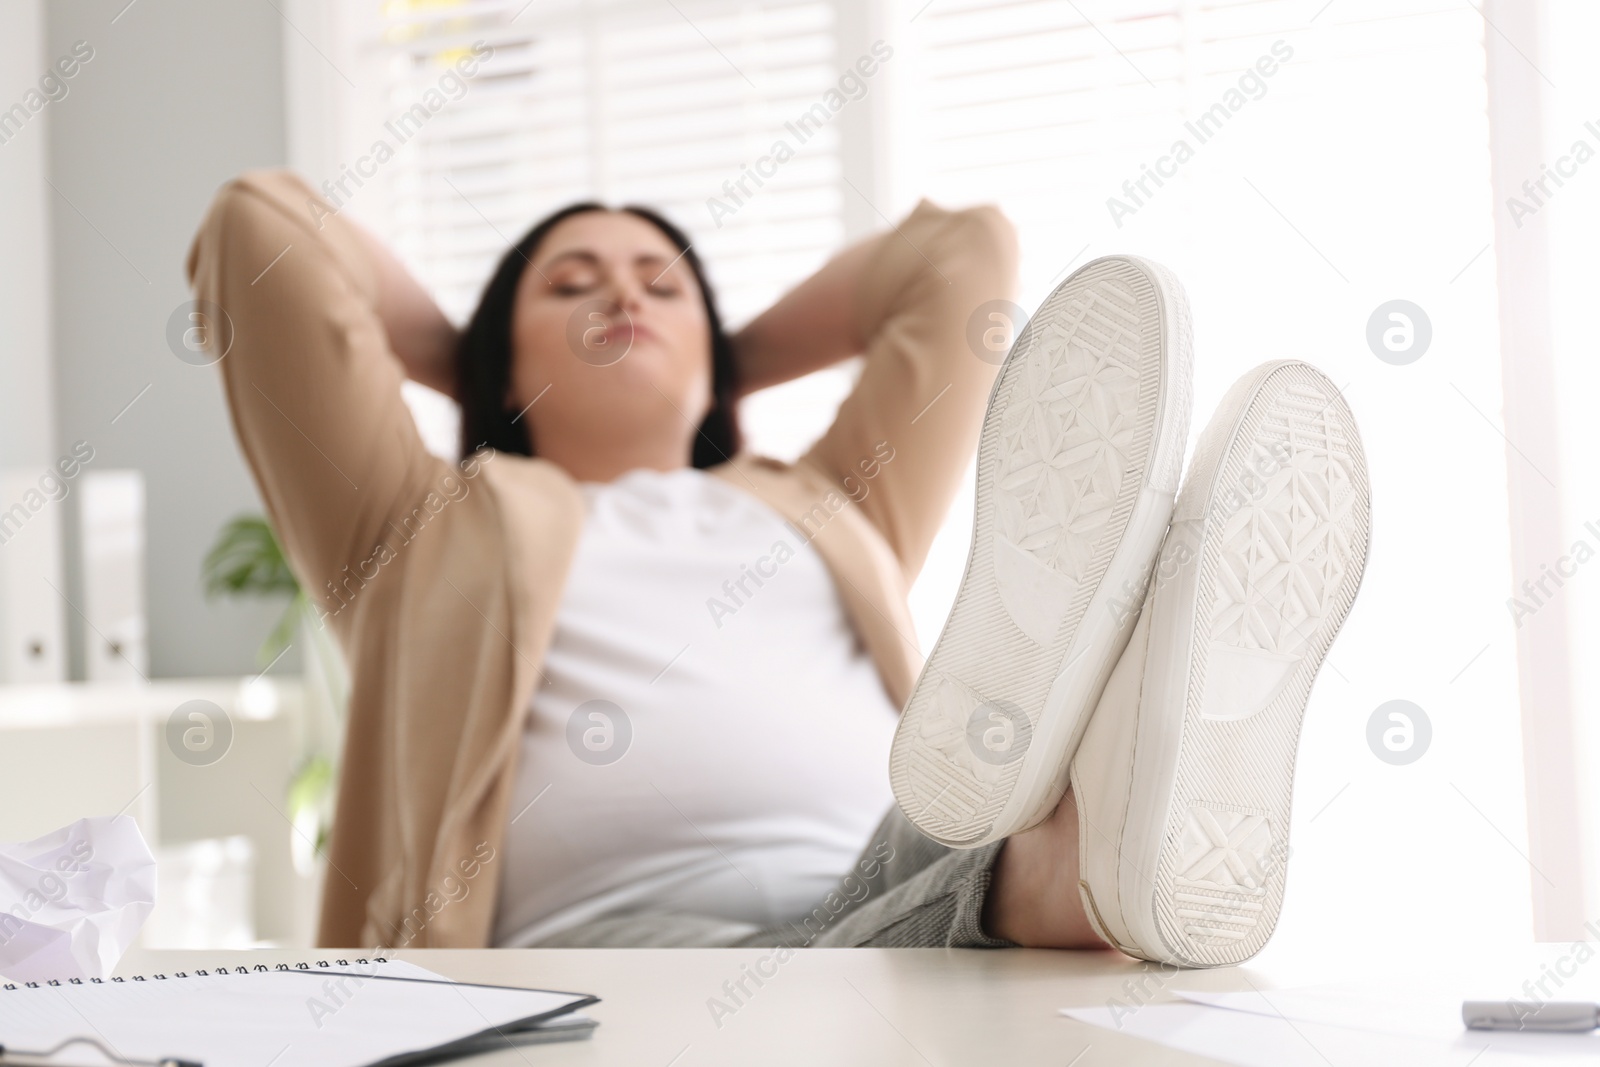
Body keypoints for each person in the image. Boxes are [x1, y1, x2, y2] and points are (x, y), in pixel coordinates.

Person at [186, 170, 1369, 967]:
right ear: (498, 360)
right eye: (571, 282)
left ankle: (1077, 813)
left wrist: (704, 356)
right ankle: (1071, 851)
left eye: (660, 281)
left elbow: (962, 258)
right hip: (619, 947)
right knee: (899, 944)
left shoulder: (827, 503)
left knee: (976, 835)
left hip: (887, 860)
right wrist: (484, 362)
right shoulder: (419, 526)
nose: (620, 293)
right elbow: (258, 231)